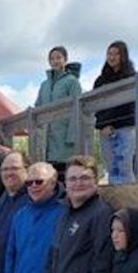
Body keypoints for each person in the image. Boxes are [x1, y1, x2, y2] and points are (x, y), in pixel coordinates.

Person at [94, 40, 138, 184]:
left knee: (125, 166)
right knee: (111, 167)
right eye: (109, 54)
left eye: (116, 54)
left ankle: (129, 199)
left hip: (125, 127)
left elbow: (130, 105)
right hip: (106, 130)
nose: (112, 57)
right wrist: (102, 125)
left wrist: (113, 122)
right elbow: (96, 105)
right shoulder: (101, 80)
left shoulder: (131, 76)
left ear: (123, 56)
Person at [36, 46, 82, 177]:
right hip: (46, 139)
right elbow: (38, 106)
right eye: (52, 58)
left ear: (65, 60)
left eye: (58, 58)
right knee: (49, 175)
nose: (55, 61)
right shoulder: (44, 85)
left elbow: (77, 109)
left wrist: (72, 136)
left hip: (65, 136)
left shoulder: (72, 82)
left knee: (65, 173)